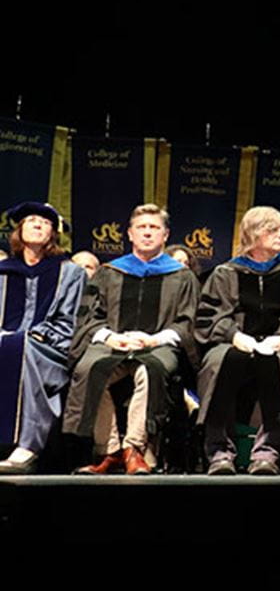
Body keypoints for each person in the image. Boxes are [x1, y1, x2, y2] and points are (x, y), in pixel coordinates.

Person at [63, 204, 200, 474]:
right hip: (113, 344)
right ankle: (110, 450)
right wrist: (111, 337)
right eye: (142, 227)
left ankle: (134, 448)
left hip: (157, 345)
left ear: (165, 235)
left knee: (150, 369)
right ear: (130, 234)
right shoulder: (109, 272)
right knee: (89, 368)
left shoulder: (182, 276)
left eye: (154, 228)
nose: (147, 233)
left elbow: (188, 321)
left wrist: (154, 339)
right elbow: (89, 316)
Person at [195, 207, 280, 475]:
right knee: (217, 361)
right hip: (235, 342)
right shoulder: (225, 273)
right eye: (273, 229)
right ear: (253, 234)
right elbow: (209, 316)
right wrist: (235, 336)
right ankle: (219, 451)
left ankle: (269, 452)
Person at [0, 203, 87, 474]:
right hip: (6, 341)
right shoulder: (3, 272)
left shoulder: (70, 272)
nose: (38, 225)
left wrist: (32, 335)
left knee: (24, 347)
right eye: (31, 220)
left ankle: (28, 444)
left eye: (46, 222)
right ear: (19, 230)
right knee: (13, 345)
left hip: (50, 347)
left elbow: (69, 322)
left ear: (53, 234)